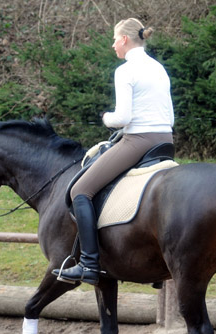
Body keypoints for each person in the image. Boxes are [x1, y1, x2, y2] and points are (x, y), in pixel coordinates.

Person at [53, 18, 175, 285]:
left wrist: (106, 117)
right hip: (165, 139)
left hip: (139, 140)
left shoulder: (126, 70)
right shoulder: (158, 68)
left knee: (80, 191)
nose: (112, 44)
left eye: (114, 39)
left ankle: (88, 264)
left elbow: (122, 117)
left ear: (124, 40)